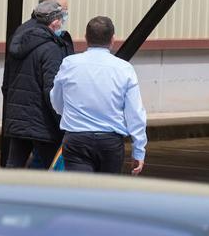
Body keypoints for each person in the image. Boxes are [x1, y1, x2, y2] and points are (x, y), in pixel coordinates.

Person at [50, 16, 147, 175]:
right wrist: (139, 149)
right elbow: (135, 113)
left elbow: (56, 100)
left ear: (86, 38)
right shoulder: (124, 68)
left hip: (77, 139)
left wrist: (69, 114)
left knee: (79, 193)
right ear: (113, 39)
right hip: (110, 142)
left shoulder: (69, 63)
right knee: (105, 195)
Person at [1, 0, 74, 167]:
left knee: (14, 166)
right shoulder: (51, 47)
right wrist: (63, 121)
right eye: (63, 13)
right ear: (54, 17)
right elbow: (52, 90)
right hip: (44, 121)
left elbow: (7, 82)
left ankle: (5, 194)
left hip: (19, 118)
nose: (64, 19)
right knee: (50, 170)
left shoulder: (20, 34)